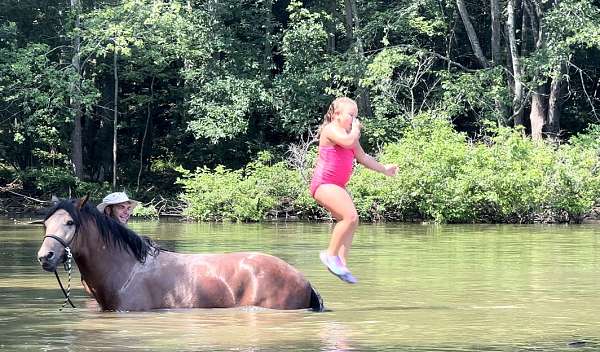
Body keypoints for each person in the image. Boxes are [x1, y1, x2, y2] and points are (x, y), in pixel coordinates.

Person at [310, 97, 397, 284]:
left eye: (356, 116)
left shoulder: (350, 136)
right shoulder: (331, 130)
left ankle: (341, 262)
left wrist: (384, 169)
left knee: (350, 221)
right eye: (351, 115)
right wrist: (355, 131)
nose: (355, 120)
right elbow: (348, 142)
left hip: (336, 186)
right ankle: (330, 255)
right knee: (350, 217)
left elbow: (363, 157)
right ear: (336, 115)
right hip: (325, 184)